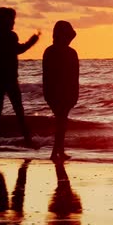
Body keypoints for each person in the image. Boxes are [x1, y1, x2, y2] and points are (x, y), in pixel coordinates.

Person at [0, 7, 40, 153]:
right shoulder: (11, 36)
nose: (13, 22)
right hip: (10, 78)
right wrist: (33, 40)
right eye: (12, 20)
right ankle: (28, 141)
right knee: (19, 111)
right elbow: (20, 49)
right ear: (5, 20)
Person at [42, 21, 79, 162]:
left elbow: (74, 76)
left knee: (61, 122)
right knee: (61, 122)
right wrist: (75, 94)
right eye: (68, 37)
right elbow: (48, 75)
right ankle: (56, 152)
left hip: (59, 93)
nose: (69, 40)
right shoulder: (65, 52)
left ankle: (58, 151)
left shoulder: (50, 51)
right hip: (60, 93)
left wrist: (47, 93)